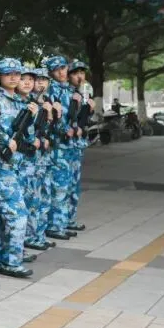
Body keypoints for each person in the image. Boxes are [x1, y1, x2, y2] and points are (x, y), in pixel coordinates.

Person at [0, 58, 36, 279]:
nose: (14, 77)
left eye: (17, 73)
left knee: (1, 215)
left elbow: (29, 137)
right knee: (17, 214)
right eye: (9, 74)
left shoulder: (21, 102)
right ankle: (12, 261)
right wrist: (6, 141)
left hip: (15, 165)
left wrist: (32, 116)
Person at [44, 55, 78, 241]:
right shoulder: (51, 90)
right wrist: (64, 128)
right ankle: (55, 225)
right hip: (57, 146)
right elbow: (51, 120)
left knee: (68, 185)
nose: (61, 72)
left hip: (70, 145)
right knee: (59, 187)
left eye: (63, 68)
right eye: (56, 70)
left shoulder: (69, 90)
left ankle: (63, 222)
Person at [25, 68, 56, 251]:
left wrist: (50, 114)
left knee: (43, 198)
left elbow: (50, 129)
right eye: (38, 80)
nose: (41, 83)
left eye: (44, 80)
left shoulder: (48, 101)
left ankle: (39, 234)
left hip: (44, 158)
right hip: (31, 159)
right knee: (32, 199)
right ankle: (30, 236)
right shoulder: (28, 101)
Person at [66, 60, 91, 232]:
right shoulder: (66, 93)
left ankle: (70, 218)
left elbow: (83, 118)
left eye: (82, 73)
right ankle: (60, 221)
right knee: (64, 186)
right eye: (75, 73)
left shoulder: (83, 92)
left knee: (74, 185)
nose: (79, 76)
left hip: (76, 145)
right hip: (65, 145)